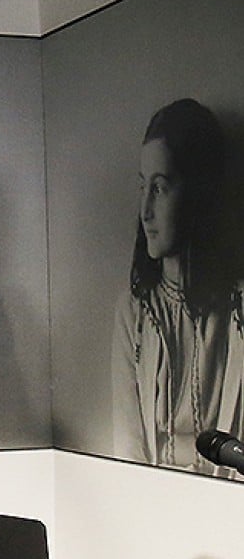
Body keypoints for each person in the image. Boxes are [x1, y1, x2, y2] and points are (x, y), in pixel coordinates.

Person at [112, 98, 244, 471]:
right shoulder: (133, 312)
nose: (145, 212)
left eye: (161, 187)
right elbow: (129, 454)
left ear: (198, 194)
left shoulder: (238, 309)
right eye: (143, 187)